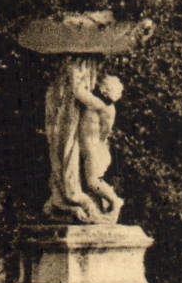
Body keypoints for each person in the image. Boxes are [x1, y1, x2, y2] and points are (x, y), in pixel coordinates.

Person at [42, 55, 104, 222]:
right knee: (66, 151)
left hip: (64, 115)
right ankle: (70, 195)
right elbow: (78, 91)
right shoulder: (73, 67)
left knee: (64, 152)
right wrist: (102, 106)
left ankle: (66, 195)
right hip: (65, 115)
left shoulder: (63, 75)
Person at [77, 74, 124, 220]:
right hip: (92, 148)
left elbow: (78, 92)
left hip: (93, 149)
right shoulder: (106, 107)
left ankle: (115, 201)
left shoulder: (99, 105)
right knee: (88, 182)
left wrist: (76, 74)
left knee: (92, 182)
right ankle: (99, 209)